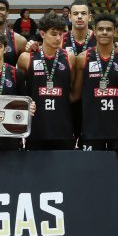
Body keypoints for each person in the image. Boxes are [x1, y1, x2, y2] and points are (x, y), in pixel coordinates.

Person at [72, 14, 118, 153]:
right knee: (92, 167)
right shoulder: (83, 58)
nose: (104, 32)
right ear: (94, 31)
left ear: (114, 31)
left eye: (109, 29)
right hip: (91, 130)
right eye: (101, 29)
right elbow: (76, 95)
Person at [18, 12, 74, 150]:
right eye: (54, 34)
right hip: (36, 127)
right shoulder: (26, 57)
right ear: (42, 34)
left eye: (61, 34)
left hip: (63, 127)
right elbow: (19, 91)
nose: (58, 38)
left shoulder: (70, 57)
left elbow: (73, 90)